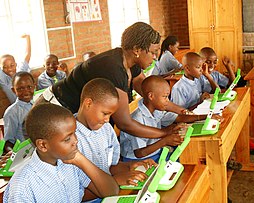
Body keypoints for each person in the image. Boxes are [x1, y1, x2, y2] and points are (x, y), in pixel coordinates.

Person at [35, 22, 187, 140]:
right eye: (153, 52)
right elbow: (125, 123)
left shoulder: (130, 63)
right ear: (137, 50)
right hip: (52, 109)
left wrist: (183, 111)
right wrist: (165, 133)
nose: (155, 58)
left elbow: (151, 93)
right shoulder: (114, 70)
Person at [3, 103, 119, 202]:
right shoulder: (23, 186)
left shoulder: (69, 162)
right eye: (67, 139)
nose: (75, 140)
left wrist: (80, 159)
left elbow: (111, 191)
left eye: (74, 133)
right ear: (43, 145)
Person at [76, 78, 156, 189]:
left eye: (110, 115)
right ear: (88, 103)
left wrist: (130, 166)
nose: (107, 120)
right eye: (105, 113)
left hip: (112, 189)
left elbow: (110, 166)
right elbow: (75, 192)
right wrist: (114, 182)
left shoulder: (106, 129)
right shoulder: (70, 139)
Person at [120, 75, 221, 162]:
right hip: (138, 160)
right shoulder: (137, 119)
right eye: (165, 97)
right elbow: (139, 153)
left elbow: (180, 117)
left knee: (185, 157)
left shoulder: (157, 109)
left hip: (156, 152)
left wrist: (207, 116)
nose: (167, 101)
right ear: (151, 96)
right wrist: (165, 141)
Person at [200, 47, 254, 155]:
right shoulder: (198, 77)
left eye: (215, 62)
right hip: (207, 112)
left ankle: (248, 146)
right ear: (200, 61)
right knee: (230, 123)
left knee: (238, 118)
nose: (212, 65)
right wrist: (208, 76)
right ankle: (235, 153)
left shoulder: (215, 74)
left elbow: (233, 85)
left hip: (218, 107)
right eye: (208, 62)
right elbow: (217, 91)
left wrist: (228, 67)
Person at [3, 72, 35, 152]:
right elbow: (9, 142)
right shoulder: (12, 112)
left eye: (29, 87)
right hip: (27, 152)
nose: (26, 91)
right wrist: (13, 155)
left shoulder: (39, 104)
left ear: (34, 86)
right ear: (13, 90)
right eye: (20, 88)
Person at [0, 34, 31, 103]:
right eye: (5, 67)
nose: (9, 69)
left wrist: (28, 38)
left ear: (16, 64)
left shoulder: (21, 71)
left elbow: (27, 55)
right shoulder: (4, 80)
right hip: (18, 109)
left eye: (12, 65)